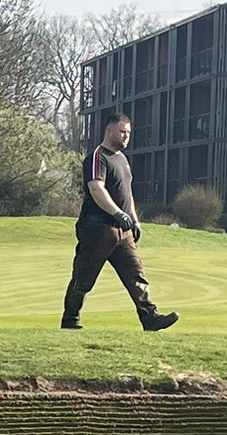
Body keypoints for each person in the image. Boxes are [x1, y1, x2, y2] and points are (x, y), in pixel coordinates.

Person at [62, 113, 179, 334]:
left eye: (128, 133)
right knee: (84, 278)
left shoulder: (123, 160)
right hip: (97, 228)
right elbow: (96, 188)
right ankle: (70, 318)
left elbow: (128, 194)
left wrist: (134, 220)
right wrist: (117, 213)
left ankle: (150, 317)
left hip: (123, 231)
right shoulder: (98, 157)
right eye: (122, 132)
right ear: (109, 131)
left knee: (135, 274)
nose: (126, 137)